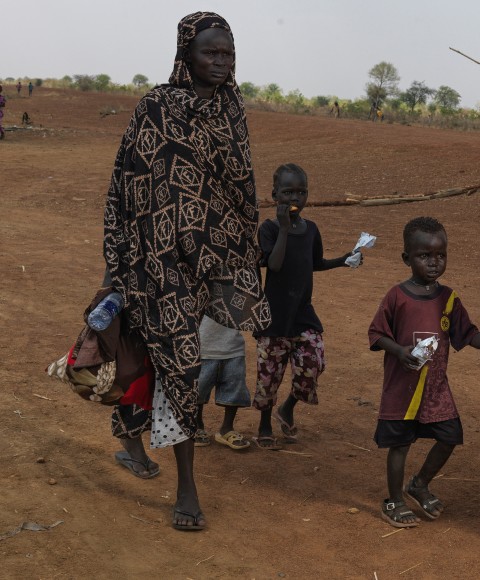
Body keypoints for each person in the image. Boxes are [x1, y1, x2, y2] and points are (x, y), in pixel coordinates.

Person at [103, 12, 270, 531]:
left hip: (212, 257)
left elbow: (240, 182)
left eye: (228, 54)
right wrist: (118, 259)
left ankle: (130, 436)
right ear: (186, 54)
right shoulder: (156, 106)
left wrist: (245, 246)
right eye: (211, 53)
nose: (220, 62)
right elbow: (125, 182)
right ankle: (187, 488)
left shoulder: (231, 108)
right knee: (178, 359)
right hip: (155, 258)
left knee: (165, 354)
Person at [368, 217, 480, 528]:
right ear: (407, 258)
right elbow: (376, 333)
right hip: (402, 388)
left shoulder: (449, 299)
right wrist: (399, 351)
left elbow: (468, 334)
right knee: (400, 444)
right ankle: (394, 500)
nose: (434, 262)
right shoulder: (397, 297)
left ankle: (420, 483)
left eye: (440, 255)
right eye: (425, 256)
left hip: (435, 388)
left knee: (450, 436)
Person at [252, 163, 361, 449]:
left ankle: (287, 408)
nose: (295, 198)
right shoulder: (269, 229)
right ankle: (264, 424)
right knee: (269, 375)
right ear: (275, 194)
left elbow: (315, 264)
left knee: (313, 363)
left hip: (303, 315)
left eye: (301, 192)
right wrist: (285, 231)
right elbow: (272, 265)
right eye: (288, 192)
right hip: (273, 318)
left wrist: (344, 259)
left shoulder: (311, 229)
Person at [194, 316, 251, 451]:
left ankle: (227, 428)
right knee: (197, 388)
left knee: (235, 386)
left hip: (233, 346)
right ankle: (197, 425)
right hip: (201, 345)